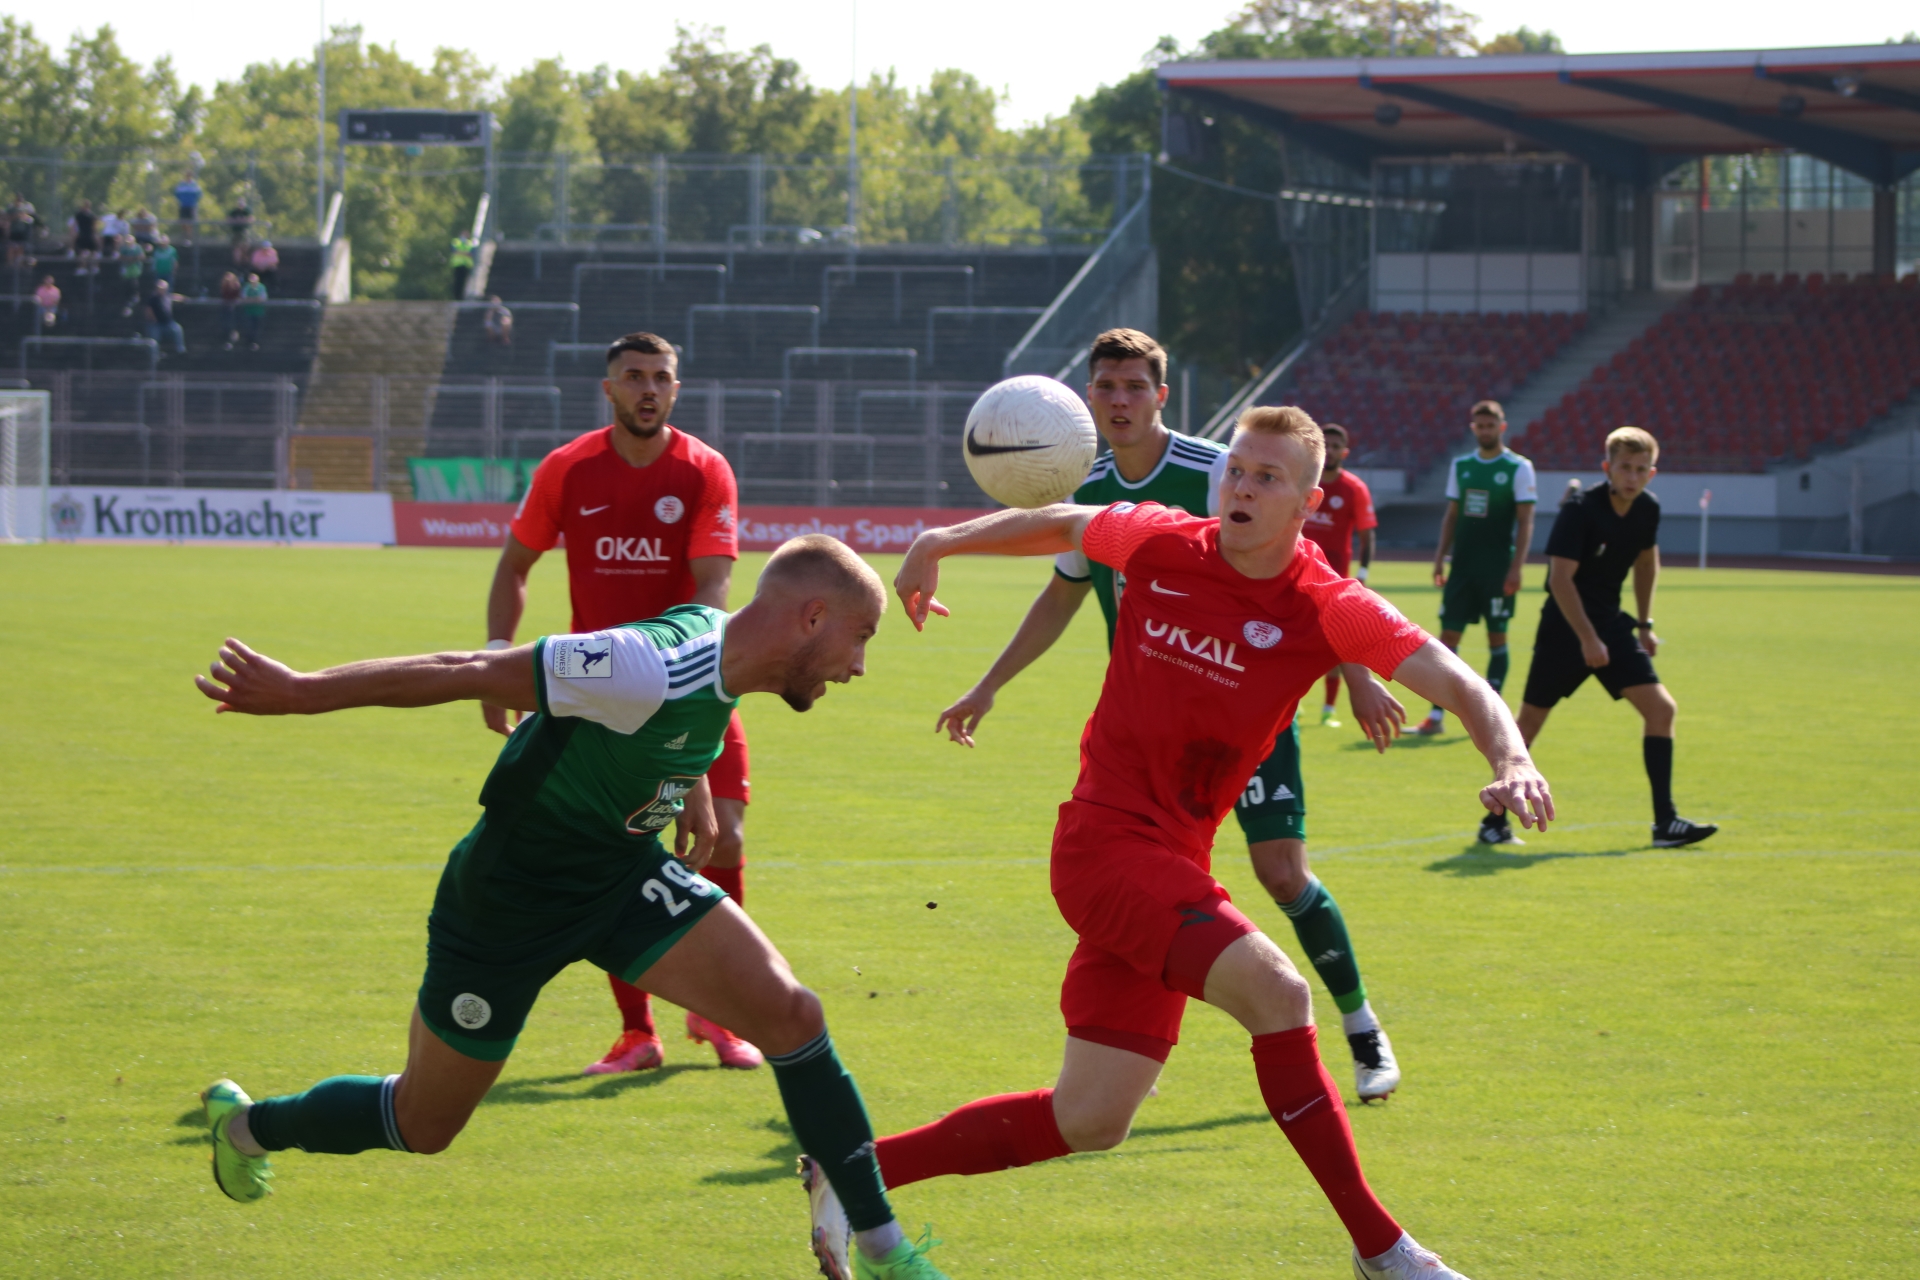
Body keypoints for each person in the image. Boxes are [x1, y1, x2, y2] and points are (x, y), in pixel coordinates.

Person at [826, 405, 1555, 1280]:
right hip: (1102, 847)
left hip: (1172, 864)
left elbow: (1456, 676)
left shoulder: (1325, 606)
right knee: (1281, 996)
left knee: (1090, 1118)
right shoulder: (1163, 541)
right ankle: (1383, 1252)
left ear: (1307, 503)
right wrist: (942, 539)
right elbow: (1062, 522)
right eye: (1237, 470)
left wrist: (1511, 756)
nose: (1242, 487)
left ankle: (854, 1173)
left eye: (1267, 477)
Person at [192, 536, 954, 1280]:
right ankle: (248, 1127)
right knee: (423, 1124)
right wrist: (299, 693)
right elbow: (470, 670)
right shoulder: (645, 664)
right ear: (812, 618)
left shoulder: (719, 656)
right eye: (861, 639)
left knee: (792, 1015)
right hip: (508, 902)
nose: (859, 666)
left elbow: (665, 718)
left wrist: (688, 788)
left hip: (620, 879)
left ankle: (887, 1251)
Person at [937, 329, 1405, 1102]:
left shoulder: (1218, 471)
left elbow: (1313, 580)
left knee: (1281, 874)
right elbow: (1064, 592)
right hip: (1146, 735)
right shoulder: (1080, 484)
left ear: (1161, 396)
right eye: (1106, 388)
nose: (1118, 401)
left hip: (1241, 721)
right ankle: (1122, 1051)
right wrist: (990, 685)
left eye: (1133, 388)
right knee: (1135, 880)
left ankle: (1361, 1027)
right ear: (1088, 397)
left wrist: (1357, 677)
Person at [489, 330, 761, 1074]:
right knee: (617, 851)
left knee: (726, 836)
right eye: (633, 376)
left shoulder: (705, 471)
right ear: (608, 389)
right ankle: (637, 1032)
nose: (648, 389)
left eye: (661, 378)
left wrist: (680, 690)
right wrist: (493, 658)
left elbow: (712, 594)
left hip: (695, 681)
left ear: (677, 389)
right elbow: (515, 566)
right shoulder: (567, 469)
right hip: (596, 694)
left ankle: (717, 1011)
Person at [1485, 426, 1717, 850]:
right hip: (1564, 629)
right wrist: (1588, 640)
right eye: (1624, 467)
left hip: (1611, 624)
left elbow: (1647, 564)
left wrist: (1644, 626)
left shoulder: (1648, 508)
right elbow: (1560, 580)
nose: (1632, 476)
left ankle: (1665, 823)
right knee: (1529, 724)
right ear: (1607, 468)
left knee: (1661, 710)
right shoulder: (1580, 509)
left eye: (1641, 469)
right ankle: (1492, 820)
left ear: (1652, 473)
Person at [1419, 401, 1536, 748]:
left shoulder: (1518, 468)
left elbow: (1526, 520)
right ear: (1473, 428)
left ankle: (1492, 716)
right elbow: (1452, 515)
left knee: (1496, 639)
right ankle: (1436, 716)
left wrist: (1517, 568)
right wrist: (1440, 558)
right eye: (1479, 426)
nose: (1484, 431)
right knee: (1446, 641)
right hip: (1463, 568)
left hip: (1498, 568)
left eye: (1490, 425)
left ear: (1502, 427)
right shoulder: (1463, 465)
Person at [1300, 422, 1378, 727]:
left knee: (1335, 644)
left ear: (1344, 452)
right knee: (1292, 639)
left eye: (1335, 446)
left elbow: (1367, 535)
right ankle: (1294, 702)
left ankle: (1329, 710)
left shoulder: (1353, 488)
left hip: (1335, 581)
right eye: (1326, 445)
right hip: (1296, 574)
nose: (1330, 451)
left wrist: (1363, 573)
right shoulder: (1302, 483)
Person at [145, 279, 185, 355]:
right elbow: (148, 311)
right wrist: (154, 320)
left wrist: (183, 298)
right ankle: (154, 354)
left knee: (178, 329)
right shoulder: (152, 299)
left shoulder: (167, 297)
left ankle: (180, 351)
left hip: (167, 323)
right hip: (156, 324)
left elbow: (174, 297)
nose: (161, 290)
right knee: (154, 337)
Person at [117, 237, 147, 316]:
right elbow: (120, 257)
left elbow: (142, 257)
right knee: (125, 290)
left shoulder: (137, 248)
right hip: (125, 274)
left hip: (134, 273)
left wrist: (132, 259)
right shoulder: (124, 248)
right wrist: (130, 259)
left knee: (134, 288)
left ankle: (132, 303)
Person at [69, 199, 100, 275]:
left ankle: (92, 267)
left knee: (92, 253)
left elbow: (94, 227)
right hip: (84, 235)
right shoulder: (81, 215)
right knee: (84, 253)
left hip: (88, 235)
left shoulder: (89, 215)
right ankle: (83, 268)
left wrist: (95, 235)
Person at [238, 273, 268, 349]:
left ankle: (256, 342)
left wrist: (251, 300)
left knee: (257, 327)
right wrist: (255, 299)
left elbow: (263, 298)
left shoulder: (261, 287)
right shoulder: (246, 287)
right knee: (249, 327)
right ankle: (249, 341)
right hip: (248, 311)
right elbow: (244, 298)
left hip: (259, 311)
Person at [7, 193, 36, 268]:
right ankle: (10, 263)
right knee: (12, 247)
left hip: (21, 232)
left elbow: (28, 218)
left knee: (20, 247)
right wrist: (16, 215)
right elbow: (8, 218)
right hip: (14, 231)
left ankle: (18, 263)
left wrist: (25, 216)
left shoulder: (24, 209)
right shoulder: (11, 209)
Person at [173, 171, 202, 241]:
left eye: (189, 175)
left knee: (190, 222)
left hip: (192, 206)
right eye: (187, 175)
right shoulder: (181, 184)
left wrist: (193, 201)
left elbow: (199, 195)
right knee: (183, 221)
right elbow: (177, 194)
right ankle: (185, 235)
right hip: (183, 205)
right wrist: (182, 200)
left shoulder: (195, 185)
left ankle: (189, 237)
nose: (188, 177)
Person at [218, 271, 243, 348]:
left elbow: (238, 296)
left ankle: (232, 340)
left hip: (236, 310)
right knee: (226, 325)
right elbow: (223, 296)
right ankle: (227, 340)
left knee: (233, 325)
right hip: (226, 309)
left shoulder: (236, 286)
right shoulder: (224, 286)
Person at [449, 232, 477, 299]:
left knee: (464, 282)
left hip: (466, 265)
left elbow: (472, 253)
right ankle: (456, 296)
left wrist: (460, 252)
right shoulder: (456, 241)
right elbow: (454, 251)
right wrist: (466, 253)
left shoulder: (470, 243)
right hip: (458, 265)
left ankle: (462, 296)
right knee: (457, 282)